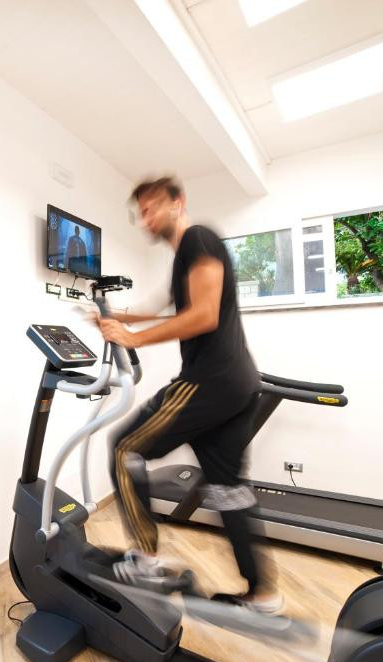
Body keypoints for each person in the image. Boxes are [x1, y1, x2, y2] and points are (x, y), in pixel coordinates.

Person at [97, 176, 281, 613]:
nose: (146, 219)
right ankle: (263, 594)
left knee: (124, 449)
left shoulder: (198, 239)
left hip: (209, 381)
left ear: (177, 203)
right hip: (236, 385)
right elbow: (161, 307)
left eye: (152, 208)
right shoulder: (187, 256)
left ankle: (145, 559)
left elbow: (203, 316)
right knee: (229, 490)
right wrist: (116, 317)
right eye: (141, 212)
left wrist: (133, 339)